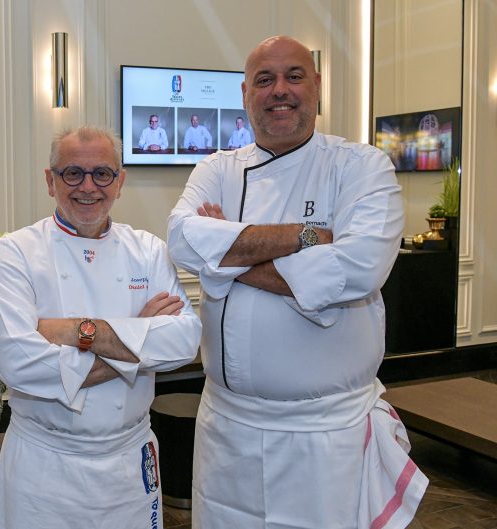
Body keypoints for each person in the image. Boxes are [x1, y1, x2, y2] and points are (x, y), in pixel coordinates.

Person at [167, 36, 427, 528]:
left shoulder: (361, 167)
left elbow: (358, 268)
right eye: (264, 80)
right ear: (245, 93)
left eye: (294, 76)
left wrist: (225, 255)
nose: (279, 90)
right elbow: (183, 237)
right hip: (229, 431)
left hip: (327, 437)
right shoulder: (217, 168)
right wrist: (308, 237)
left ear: (318, 87)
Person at [0, 126, 201, 529]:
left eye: (102, 173)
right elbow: (19, 364)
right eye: (73, 173)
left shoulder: (148, 250)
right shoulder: (18, 252)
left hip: (128, 464)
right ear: (50, 181)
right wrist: (139, 337)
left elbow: (184, 342)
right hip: (44, 467)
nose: (88, 186)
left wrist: (74, 332)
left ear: (120, 182)